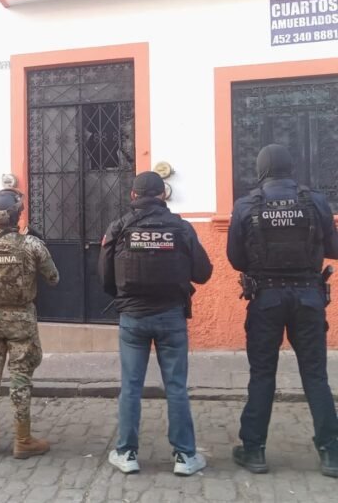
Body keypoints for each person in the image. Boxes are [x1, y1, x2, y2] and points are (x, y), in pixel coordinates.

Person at [227, 143, 338, 477]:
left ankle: (254, 451)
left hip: (266, 298)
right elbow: (334, 247)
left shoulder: (247, 204)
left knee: (262, 374)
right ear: (291, 166)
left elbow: (236, 258)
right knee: (315, 375)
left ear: (261, 169)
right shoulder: (315, 201)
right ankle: (331, 453)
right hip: (308, 297)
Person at [98, 171, 213, 475]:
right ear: (163, 195)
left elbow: (106, 278)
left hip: (133, 318)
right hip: (171, 316)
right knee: (176, 387)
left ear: (133, 196)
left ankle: (126, 453)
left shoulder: (119, 227)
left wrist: (126, 297)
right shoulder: (181, 228)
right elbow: (203, 273)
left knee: (130, 387)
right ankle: (185, 457)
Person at [0, 189, 59, 459]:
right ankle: (23, 440)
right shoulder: (31, 245)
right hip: (20, 322)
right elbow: (54, 278)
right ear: (17, 215)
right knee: (20, 378)